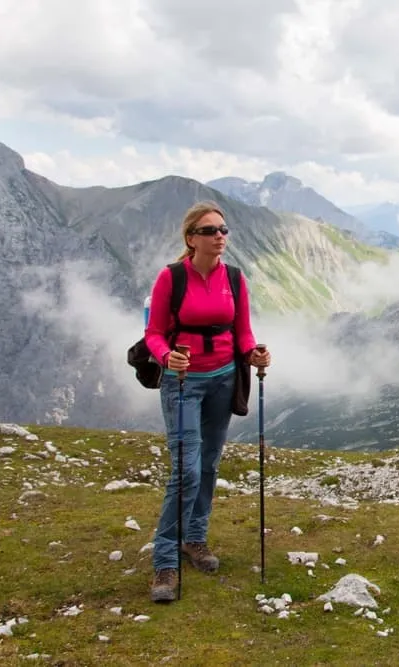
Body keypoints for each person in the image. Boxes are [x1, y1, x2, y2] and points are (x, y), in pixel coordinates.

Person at [143, 200, 271, 603]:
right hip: (183, 382)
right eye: (211, 231)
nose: (220, 236)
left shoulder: (234, 278)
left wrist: (254, 354)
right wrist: (167, 356)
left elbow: (243, 332)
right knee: (186, 470)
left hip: (222, 379)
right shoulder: (171, 278)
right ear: (191, 238)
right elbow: (154, 333)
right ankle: (165, 560)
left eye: (223, 230)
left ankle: (194, 539)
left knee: (210, 463)